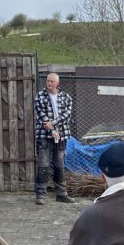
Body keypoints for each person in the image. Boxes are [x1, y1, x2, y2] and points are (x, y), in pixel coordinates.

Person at [33, 72, 75, 206]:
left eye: (51, 81)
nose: (49, 83)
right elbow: (41, 115)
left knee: (59, 165)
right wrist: (51, 130)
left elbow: (66, 115)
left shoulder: (66, 97)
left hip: (62, 134)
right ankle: (40, 195)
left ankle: (61, 194)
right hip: (44, 135)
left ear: (57, 83)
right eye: (47, 80)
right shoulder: (40, 96)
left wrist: (54, 125)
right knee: (43, 165)